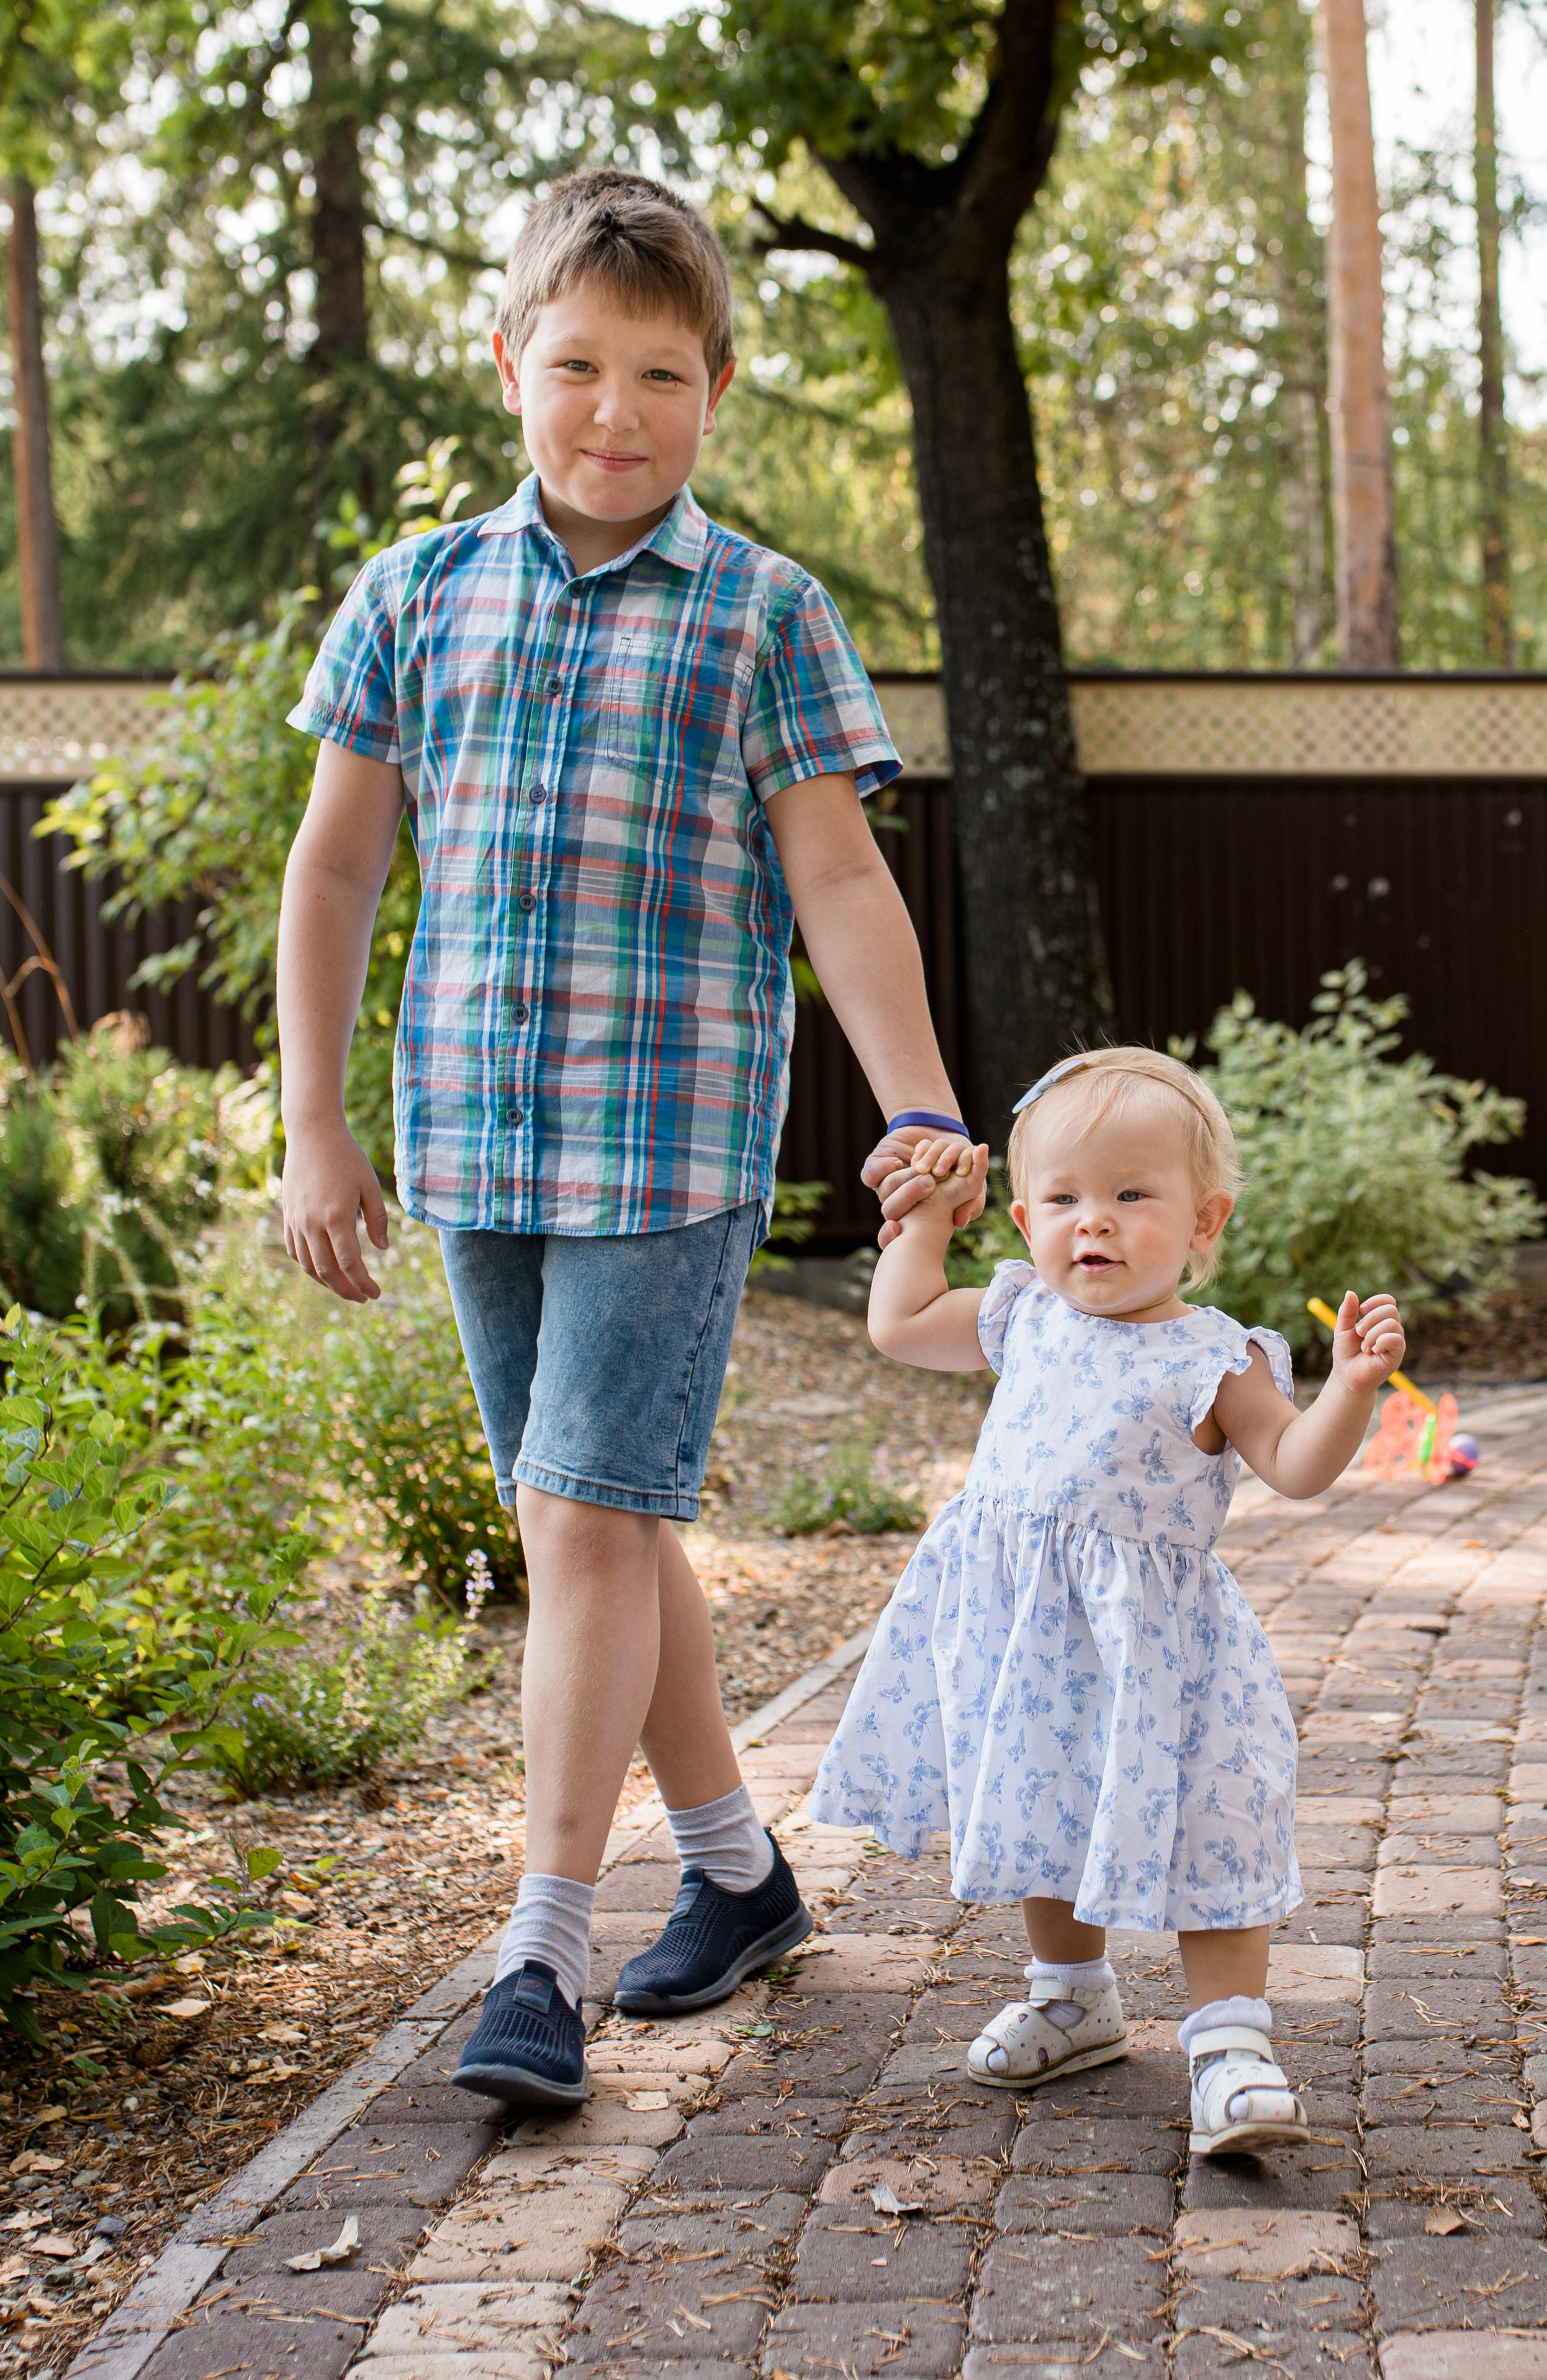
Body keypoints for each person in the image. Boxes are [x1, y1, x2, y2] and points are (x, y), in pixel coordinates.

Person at [274, 166, 981, 2108]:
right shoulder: (416, 597)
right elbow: (337, 866)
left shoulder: (765, 614)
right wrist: (314, 1122)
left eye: (658, 374)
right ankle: (743, 1874)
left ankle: (542, 1947)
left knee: (585, 1515)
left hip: (671, 1147)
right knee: (593, 1512)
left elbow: (838, 878)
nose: (614, 410)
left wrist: (920, 1095)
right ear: (508, 362)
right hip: (474, 1145)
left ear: (718, 387)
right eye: (576, 364)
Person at [810, 1046, 1405, 2155]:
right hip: (1031, 1636)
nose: (1097, 1222)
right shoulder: (1022, 1315)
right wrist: (928, 1224)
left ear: (1204, 1222)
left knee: (1210, 1824)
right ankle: (1073, 1996)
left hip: (1161, 1650)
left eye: (1134, 1196)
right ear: (1028, 1215)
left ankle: (1230, 2043)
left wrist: (1353, 1391)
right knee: (1047, 1801)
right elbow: (899, 1324)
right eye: (1068, 1198)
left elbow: (1298, 1467)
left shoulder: (1217, 1360)